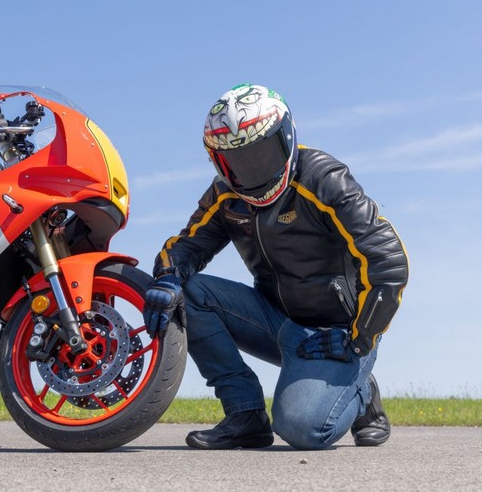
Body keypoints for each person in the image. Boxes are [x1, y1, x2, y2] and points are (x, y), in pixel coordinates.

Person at [143, 84, 409, 450]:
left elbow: (389, 263)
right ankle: (245, 415)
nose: (253, 170)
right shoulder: (223, 195)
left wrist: (359, 339)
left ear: (287, 136)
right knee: (186, 291)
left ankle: (361, 390)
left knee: (302, 429)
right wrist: (166, 277)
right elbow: (185, 246)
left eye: (262, 154)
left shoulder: (323, 178)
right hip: (274, 320)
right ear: (219, 162)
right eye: (238, 161)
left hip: (334, 334)